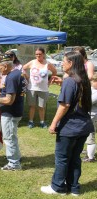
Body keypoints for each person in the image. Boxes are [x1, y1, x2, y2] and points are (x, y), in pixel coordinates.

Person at [41, 51, 93, 196]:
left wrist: (53, 123)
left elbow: (65, 105)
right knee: (75, 158)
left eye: (64, 61)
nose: (62, 63)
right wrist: (63, 84)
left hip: (70, 127)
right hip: (84, 126)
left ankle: (57, 187)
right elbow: (76, 96)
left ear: (71, 64)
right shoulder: (82, 79)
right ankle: (74, 188)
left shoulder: (71, 81)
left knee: (62, 158)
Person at [23, 47, 57, 129]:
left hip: (43, 88)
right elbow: (23, 68)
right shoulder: (32, 62)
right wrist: (27, 78)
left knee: (42, 107)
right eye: (36, 54)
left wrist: (49, 81)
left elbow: (54, 71)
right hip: (32, 88)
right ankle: (31, 121)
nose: (38, 56)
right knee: (32, 106)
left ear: (43, 54)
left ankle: (42, 122)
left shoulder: (47, 63)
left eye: (40, 54)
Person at [82, 73, 97, 162]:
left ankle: (90, 157)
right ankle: (89, 151)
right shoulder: (93, 89)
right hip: (89, 115)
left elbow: (89, 102)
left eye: (94, 81)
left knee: (90, 136)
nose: (92, 83)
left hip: (93, 116)